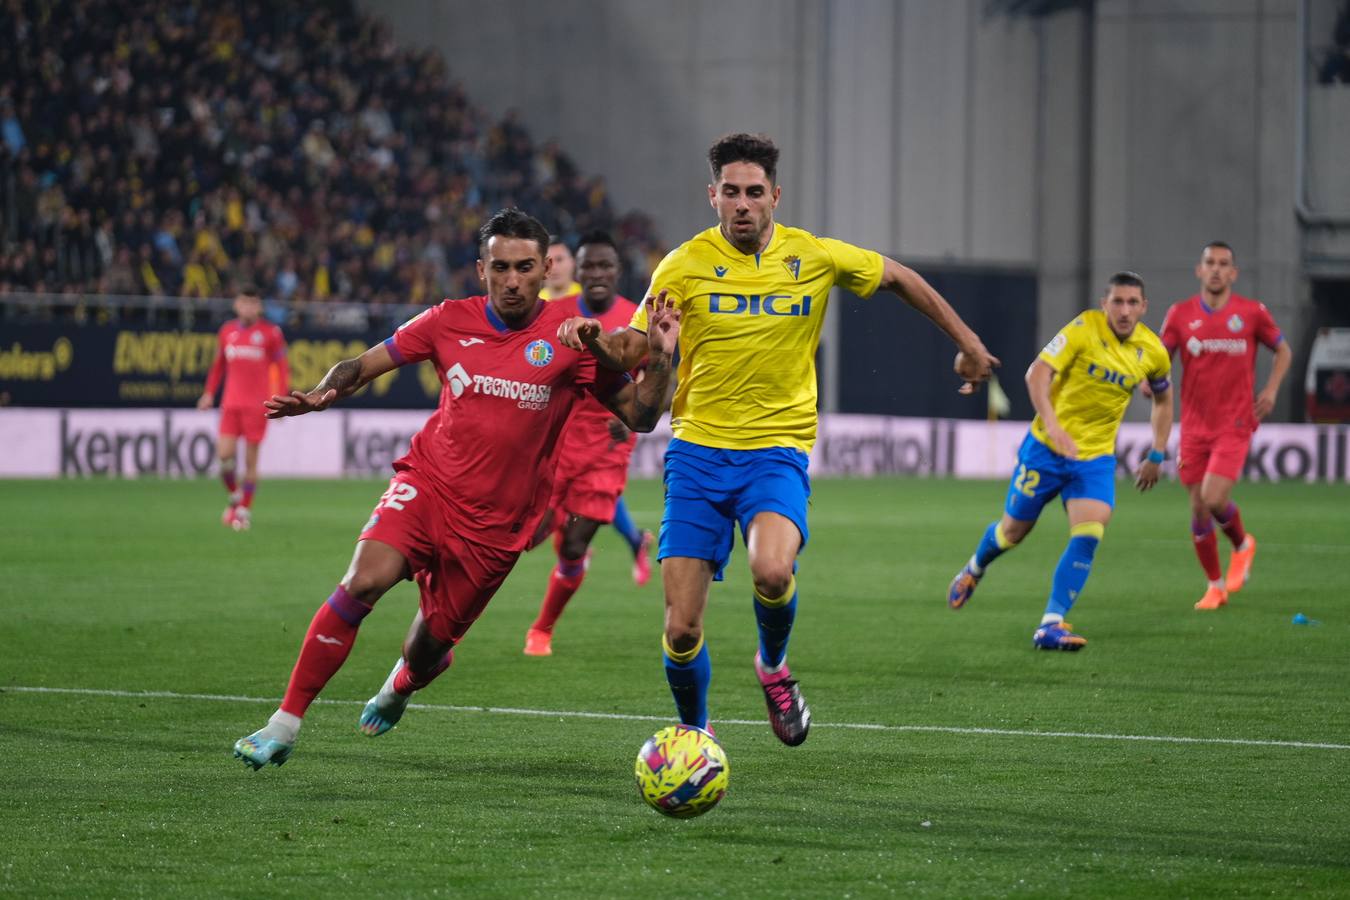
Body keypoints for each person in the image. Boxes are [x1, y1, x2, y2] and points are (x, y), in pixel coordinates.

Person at [558, 133, 998, 746]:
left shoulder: (813, 256)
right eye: (731, 192)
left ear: (775, 196)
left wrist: (969, 343)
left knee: (771, 570)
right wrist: (595, 342)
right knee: (681, 630)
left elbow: (899, 278)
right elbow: (633, 347)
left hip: (775, 451)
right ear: (712, 196)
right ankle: (696, 735)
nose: (742, 203)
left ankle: (772, 666)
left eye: (754, 192)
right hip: (697, 454)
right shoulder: (682, 265)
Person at [231, 209, 679, 770]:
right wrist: (322, 394)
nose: (511, 280)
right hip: (429, 485)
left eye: (524, 267)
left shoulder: (572, 338)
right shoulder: (447, 319)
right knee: (360, 582)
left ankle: (403, 682)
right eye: (500, 267)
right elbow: (363, 364)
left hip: (496, 528)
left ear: (545, 270)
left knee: (426, 650)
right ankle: (284, 722)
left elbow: (640, 416)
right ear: (481, 269)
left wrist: (661, 354)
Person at [946, 272, 1173, 649]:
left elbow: (1164, 399)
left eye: (1133, 302)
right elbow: (1037, 374)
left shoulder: (1153, 351)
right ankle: (975, 567)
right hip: (1045, 450)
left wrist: (1157, 452)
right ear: (1104, 304)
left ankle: (1050, 624)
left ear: (1144, 307)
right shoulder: (1083, 328)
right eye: (1117, 301)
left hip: (1094, 459)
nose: (1124, 310)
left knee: (1090, 533)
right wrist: (1052, 424)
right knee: (1012, 532)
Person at [523, 231, 655, 657]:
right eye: (589, 266)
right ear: (578, 272)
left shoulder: (636, 318)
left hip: (606, 448)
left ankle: (541, 630)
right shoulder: (554, 314)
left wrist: (631, 421)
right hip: (556, 441)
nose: (597, 273)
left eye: (605, 266)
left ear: (617, 271)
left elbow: (657, 381)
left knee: (575, 545)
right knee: (526, 537)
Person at [1158, 242, 1290, 611]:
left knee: (1214, 498)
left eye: (1223, 264)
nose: (1216, 269)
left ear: (1233, 273)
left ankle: (1242, 544)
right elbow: (1159, 357)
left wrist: (1271, 390)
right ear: (1199, 270)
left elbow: (1283, 350)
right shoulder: (1180, 314)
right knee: (1199, 509)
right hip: (1194, 426)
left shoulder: (1251, 313)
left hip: (1235, 422)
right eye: (1210, 263)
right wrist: (1149, 380)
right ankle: (1215, 586)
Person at [197, 287, 289, 531]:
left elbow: (281, 368)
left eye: (253, 303)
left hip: (257, 407)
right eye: (244, 303)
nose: (248, 308)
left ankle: (243, 511)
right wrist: (208, 393)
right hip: (231, 404)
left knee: (250, 462)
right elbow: (218, 366)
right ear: (236, 305)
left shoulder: (271, 333)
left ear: (259, 307)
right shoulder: (227, 331)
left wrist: (281, 400)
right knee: (224, 457)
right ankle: (235, 496)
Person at [538, 235, 581, 300]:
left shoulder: (586, 297)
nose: (553, 267)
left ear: (573, 262)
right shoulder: (534, 302)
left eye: (559, 259)